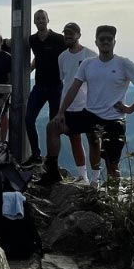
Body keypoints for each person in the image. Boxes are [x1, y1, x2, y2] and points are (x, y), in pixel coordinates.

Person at [49, 25, 134, 185]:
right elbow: (73, 88)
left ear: (114, 42)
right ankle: (52, 172)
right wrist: (61, 112)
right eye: (102, 39)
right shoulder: (88, 64)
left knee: (112, 165)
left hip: (114, 120)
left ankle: (110, 194)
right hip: (90, 114)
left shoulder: (123, 63)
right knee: (53, 127)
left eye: (109, 39)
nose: (105, 42)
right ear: (96, 42)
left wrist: (130, 108)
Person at [40, 22, 94, 184]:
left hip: (88, 106)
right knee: (73, 139)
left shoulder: (90, 55)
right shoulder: (62, 57)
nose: (68, 36)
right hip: (69, 106)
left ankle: (96, 179)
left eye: (71, 33)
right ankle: (81, 176)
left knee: (94, 141)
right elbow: (65, 80)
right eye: (66, 33)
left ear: (79, 35)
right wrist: (62, 108)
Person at [24, 9, 67, 168]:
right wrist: (30, 68)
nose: (40, 20)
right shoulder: (32, 40)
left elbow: (69, 55)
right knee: (29, 119)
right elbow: (38, 56)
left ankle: (51, 161)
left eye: (43, 18)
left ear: (48, 20)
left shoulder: (59, 39)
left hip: (56, 86)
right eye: (37, 18)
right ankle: (36, 155)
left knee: (53, 125)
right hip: (39, 85)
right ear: (34, 22)